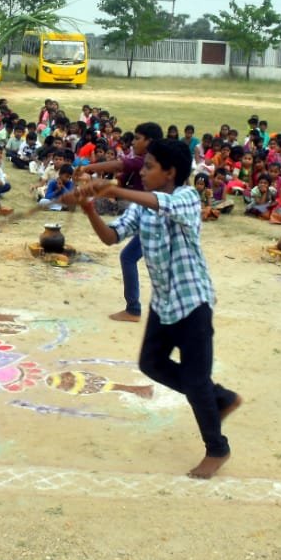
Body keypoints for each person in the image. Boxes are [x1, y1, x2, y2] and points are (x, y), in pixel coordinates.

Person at [70, 139, 242, 479]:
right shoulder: (142, 207)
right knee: (151, 363)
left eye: (149, 167)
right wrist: (90, 207)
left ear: (170, 172)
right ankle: (219, 398)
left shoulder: (187, 198)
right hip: (164, 303)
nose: (143, 172)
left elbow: (160, 203)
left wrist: (113, 189)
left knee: (194, 379)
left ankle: (217, 448)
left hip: (193, 302)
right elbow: (111, 237)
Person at [76, 122, 164, 323]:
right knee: (129, 256)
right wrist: (90, 189)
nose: (133, 142)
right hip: (143, 215)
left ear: (149, 141)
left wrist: (87, 167)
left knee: (134, 258)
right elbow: (118, 182)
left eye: (137, 138)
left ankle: (134, 309)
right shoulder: (140, 163)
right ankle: (133, 308)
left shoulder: (142, 161)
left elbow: (118, 166)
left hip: (154, 218)